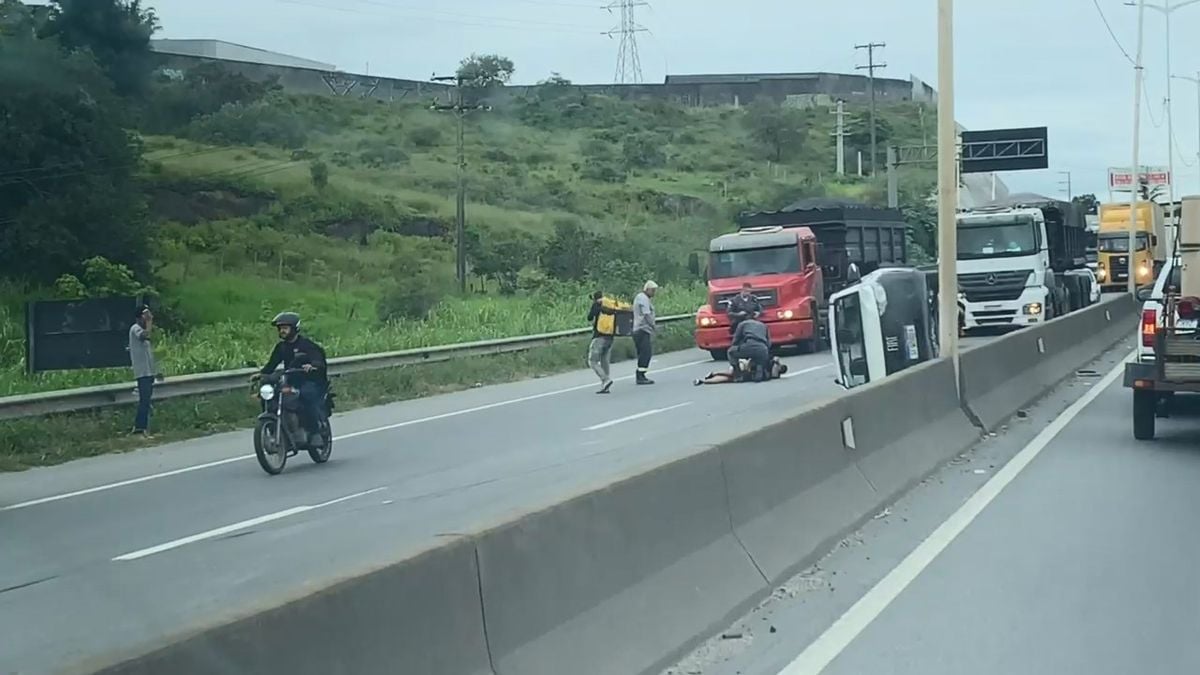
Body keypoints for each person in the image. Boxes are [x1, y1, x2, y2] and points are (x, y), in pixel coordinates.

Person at [256, 312, 329, 446]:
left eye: (285, 328)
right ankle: (276, 428)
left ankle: (315, 432)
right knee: (269, 395)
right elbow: (271, 365)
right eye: (280, 328)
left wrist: (312, 365)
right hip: (291, 380)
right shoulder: (281, 347)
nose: (282, 331)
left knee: (306, 396)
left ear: (294, 328)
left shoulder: (307, 345)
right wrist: (261, 374)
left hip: (309, 380)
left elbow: (318, 360)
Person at [128, 305, 163, 437]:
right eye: (145, 315)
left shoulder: (143, 333)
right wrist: (149, 322)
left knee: (147, 401)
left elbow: (149, 355)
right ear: (140, 317)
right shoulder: (135, 329)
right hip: (142, 373)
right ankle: (140, 428)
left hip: (148, 372)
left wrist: (155, 371)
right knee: (144, 401)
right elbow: (145, 335)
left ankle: (143, 427)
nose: (147, 318)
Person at [586, 291, 615, 394]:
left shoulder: (596, 305)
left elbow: (589, 317)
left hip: (599, 337)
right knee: (604, 360)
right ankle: (605, 386)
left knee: (592, 361)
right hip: (610, 337)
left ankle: (605, 379)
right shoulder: (610, 305)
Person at [728, 315, 771, 381]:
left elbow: (735, 340)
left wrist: (737, 347)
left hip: (749, 345)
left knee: (730, 352)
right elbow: (769, 343)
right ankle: (760, 368)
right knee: (760, 359)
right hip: (763, 349)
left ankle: (738, 374)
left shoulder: (742, 324)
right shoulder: (763, 325)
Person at [694, 356, 788, 385]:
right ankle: (712, 375)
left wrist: (776, 365)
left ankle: (704, 381)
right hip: (746, 368)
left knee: (727, 378)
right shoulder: (772, 363)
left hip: (747, 372)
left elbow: (775, 373)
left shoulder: (774, 372)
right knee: (730, 375)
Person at [632, 280, 658, 385]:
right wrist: (653, 326)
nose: (654, 293)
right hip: (642, 329)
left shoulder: (642, 298)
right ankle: (640, 375)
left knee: (642, 353)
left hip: (639, 330)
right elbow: (647, 314)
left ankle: (641, 374)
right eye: (653, 290)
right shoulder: (643, 298)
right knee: (646, 353)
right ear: (647, 289)